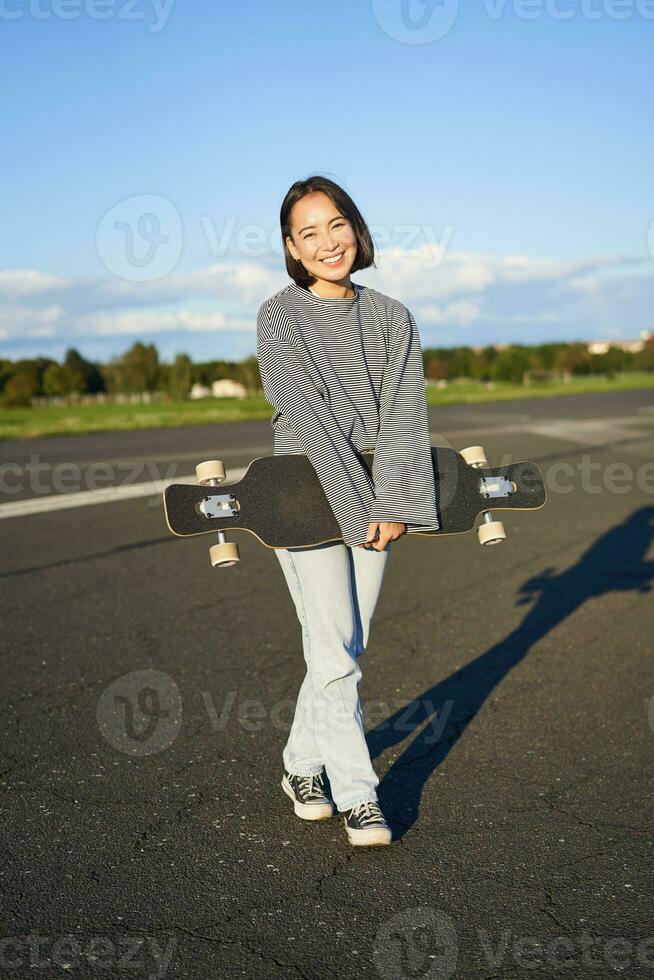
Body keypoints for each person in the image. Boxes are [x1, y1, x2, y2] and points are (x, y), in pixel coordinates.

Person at [256, 175, 440, 847]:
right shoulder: (278, 315)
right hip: (300, 494)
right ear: (292, 248)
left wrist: (393, 501)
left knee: (342, 648)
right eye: (309, 233)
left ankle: (300, 765)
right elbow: (306, 414)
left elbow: (403, 415)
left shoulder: (393, 315)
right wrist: (361, 504)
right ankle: (359, 793)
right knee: (335, 650)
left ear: (355, 230)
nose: (327, 242)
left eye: (336, 225)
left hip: (373, 498)